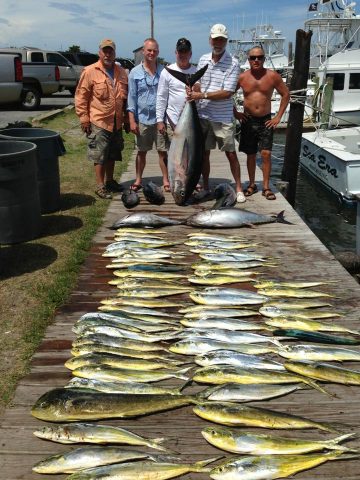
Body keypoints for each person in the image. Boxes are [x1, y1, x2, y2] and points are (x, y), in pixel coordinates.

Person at [186, 23, 245, 203]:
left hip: (223, 117)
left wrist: (201, 94)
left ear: (226, 41)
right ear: (210, 40)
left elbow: (227, 92)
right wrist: (192, 89)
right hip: (203, 115)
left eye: (221, 39)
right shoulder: (203, 59)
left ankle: (239, 188)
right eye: (215, 39)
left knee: (230, 153)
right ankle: (205, 187)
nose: (218, 42)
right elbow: (199, 83)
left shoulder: (233, 63)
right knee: (204, 153)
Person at [234, 46, 290, 200]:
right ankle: (252, 184)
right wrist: (235, 113)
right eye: (253, 57)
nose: (256, 60)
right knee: (251, 154)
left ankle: (266, 187)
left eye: (259, 57)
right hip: (248, 119)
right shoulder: (242, 77)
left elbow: (285, 94)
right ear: (249, 59)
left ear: (264, 59)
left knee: (266, 153)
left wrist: (278, 117)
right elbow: (227, 94)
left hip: (265, 119)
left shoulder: (272, 76)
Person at [75, 38, 128, 199]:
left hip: (116, 121)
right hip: (99, 121)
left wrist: (125, 118)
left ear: (114, 53)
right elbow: (81, 96)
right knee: (99, 155)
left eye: (110, 51)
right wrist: (84, 118)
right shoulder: (90, 71)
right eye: (105, 51)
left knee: (112, 154)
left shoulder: (121, 72)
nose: (108, 54)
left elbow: (124, 99)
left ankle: (110, 181)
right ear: (99, 53)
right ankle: (100, 185)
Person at [127, 38, 169, 192]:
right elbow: (131, 98)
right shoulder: (134, 72)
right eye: (149, 50)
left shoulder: (164, 71)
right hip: (142, 119)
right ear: (143, 51)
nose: (152, 53)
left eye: (155, 50)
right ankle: (138, 179)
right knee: (141, 151)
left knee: (162, 151)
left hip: (160, 120)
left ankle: (165, 179)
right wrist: (132, 120)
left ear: (158, 52)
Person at [156, 37, 196, 147]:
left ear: (190, 53)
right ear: (175, 52)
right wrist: (160, 120)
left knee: (189, 156)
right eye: (180, 52)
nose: (183, 55)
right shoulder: (167, 71)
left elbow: (200, 96)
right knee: (174, 158)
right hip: (172, 122)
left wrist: (195, 92)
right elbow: (161, 97)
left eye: (185, 51)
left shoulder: (196, 72)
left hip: (191, 124)